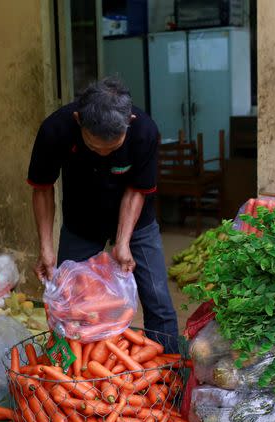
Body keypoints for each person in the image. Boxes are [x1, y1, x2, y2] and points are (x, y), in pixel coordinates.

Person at [27, 77, 179, 352]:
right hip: (81, 221)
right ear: (78, 120)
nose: (104, 154)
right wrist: (46, 248)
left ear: (129, 120)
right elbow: (42, 188)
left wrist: (123, 244)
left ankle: (169, 375)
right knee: (72, 303)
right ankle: (75, 378)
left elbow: (136, 191)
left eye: (113, 148)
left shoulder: (144, 131)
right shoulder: (55, 129)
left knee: (158, 300)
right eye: (95, 147)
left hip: (138, 221)